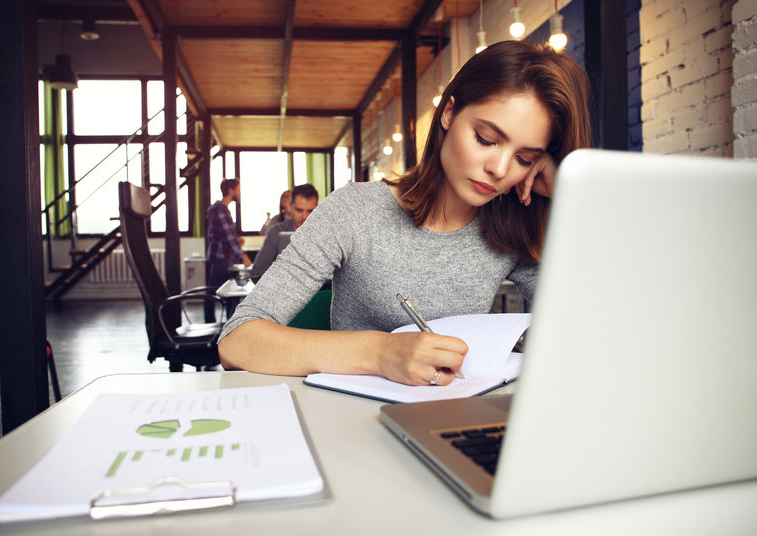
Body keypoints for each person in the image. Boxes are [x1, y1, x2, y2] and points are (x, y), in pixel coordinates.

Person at [218, 41, 591, 386]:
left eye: (524, 159)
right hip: (346, 420)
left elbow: (593, 329)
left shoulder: (511, 227)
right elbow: (237, 340)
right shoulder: (356, 209)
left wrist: (569, 196)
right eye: (486, 140)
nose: (499, 168)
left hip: (450, 415)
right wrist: (380, 353)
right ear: (448, 114)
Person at [205, 178, 252, 322]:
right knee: (216, 292)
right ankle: (212, 325)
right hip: (221, 258)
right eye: (238, 189)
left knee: (228, 293)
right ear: (231, 191)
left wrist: (237, 240)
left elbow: (226, 236)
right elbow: (227, 237)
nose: (239, 192)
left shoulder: (222, 209)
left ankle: (227, 324)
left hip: (224, 257)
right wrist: (243, 255)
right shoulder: (219, 209)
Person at [251, 184, 319, 279]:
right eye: (299, 210)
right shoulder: (276, 232)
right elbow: (257, 273)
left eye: (310, 211)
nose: (305, 217)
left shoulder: (324, 232)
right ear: (290, 207)